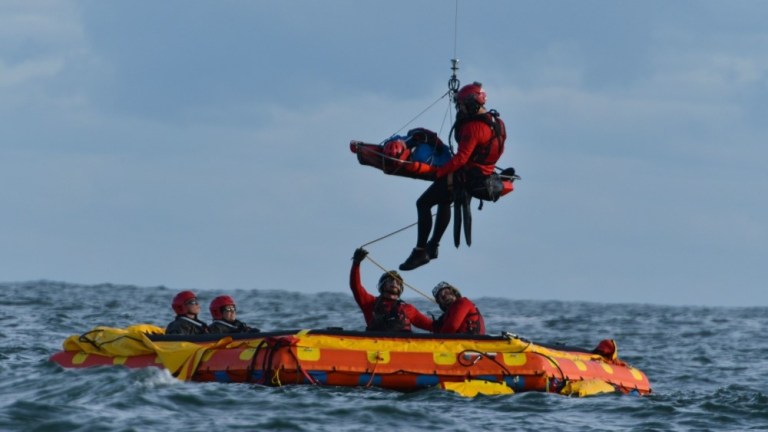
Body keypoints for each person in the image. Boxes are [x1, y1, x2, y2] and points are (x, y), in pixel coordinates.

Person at [400, 82, 506, 271]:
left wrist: (439, 172)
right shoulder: (497, 122)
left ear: (473, 105)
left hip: (467, 177)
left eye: (463, 106)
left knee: (423, 203)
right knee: (443, 201)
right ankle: (433, 248)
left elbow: (460, 159)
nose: (460, 109)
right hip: (484, 174)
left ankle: (420, 251)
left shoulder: (473, 128)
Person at [350, 248, 433, 332]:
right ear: (382, 285)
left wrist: (446, 314)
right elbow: (355, 286)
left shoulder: (408, 308)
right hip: (376, 343)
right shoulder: (369, 303)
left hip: (403, 344)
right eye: (390, 280)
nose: (394, 283)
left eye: (398, 282)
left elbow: (432, 326)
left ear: (400, 288)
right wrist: (356, 263)